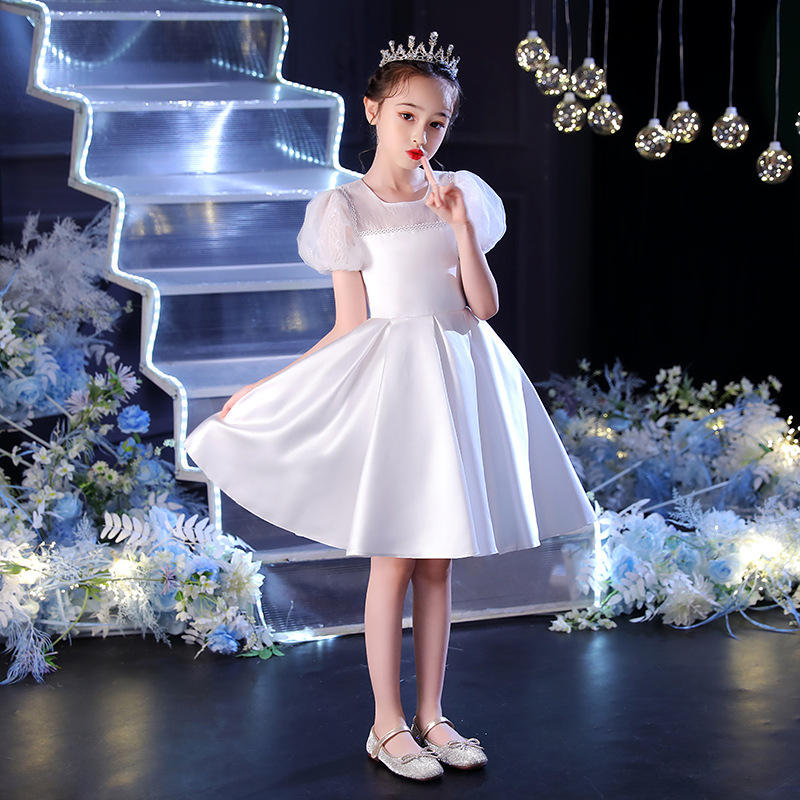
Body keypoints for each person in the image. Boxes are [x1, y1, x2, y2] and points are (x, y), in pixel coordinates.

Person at [184, 31, 597, 782]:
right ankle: (385, 723)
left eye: (437, 123)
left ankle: (433, 715)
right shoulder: (345, 207)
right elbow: (349, 325)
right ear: (373, 110)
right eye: (407, 116)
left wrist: (460, 227)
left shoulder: (459, 194)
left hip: (460, 376)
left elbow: (482, 307)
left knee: (439, 560)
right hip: (398, 388)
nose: (421, 135)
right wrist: (270, 386)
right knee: (396, 557)